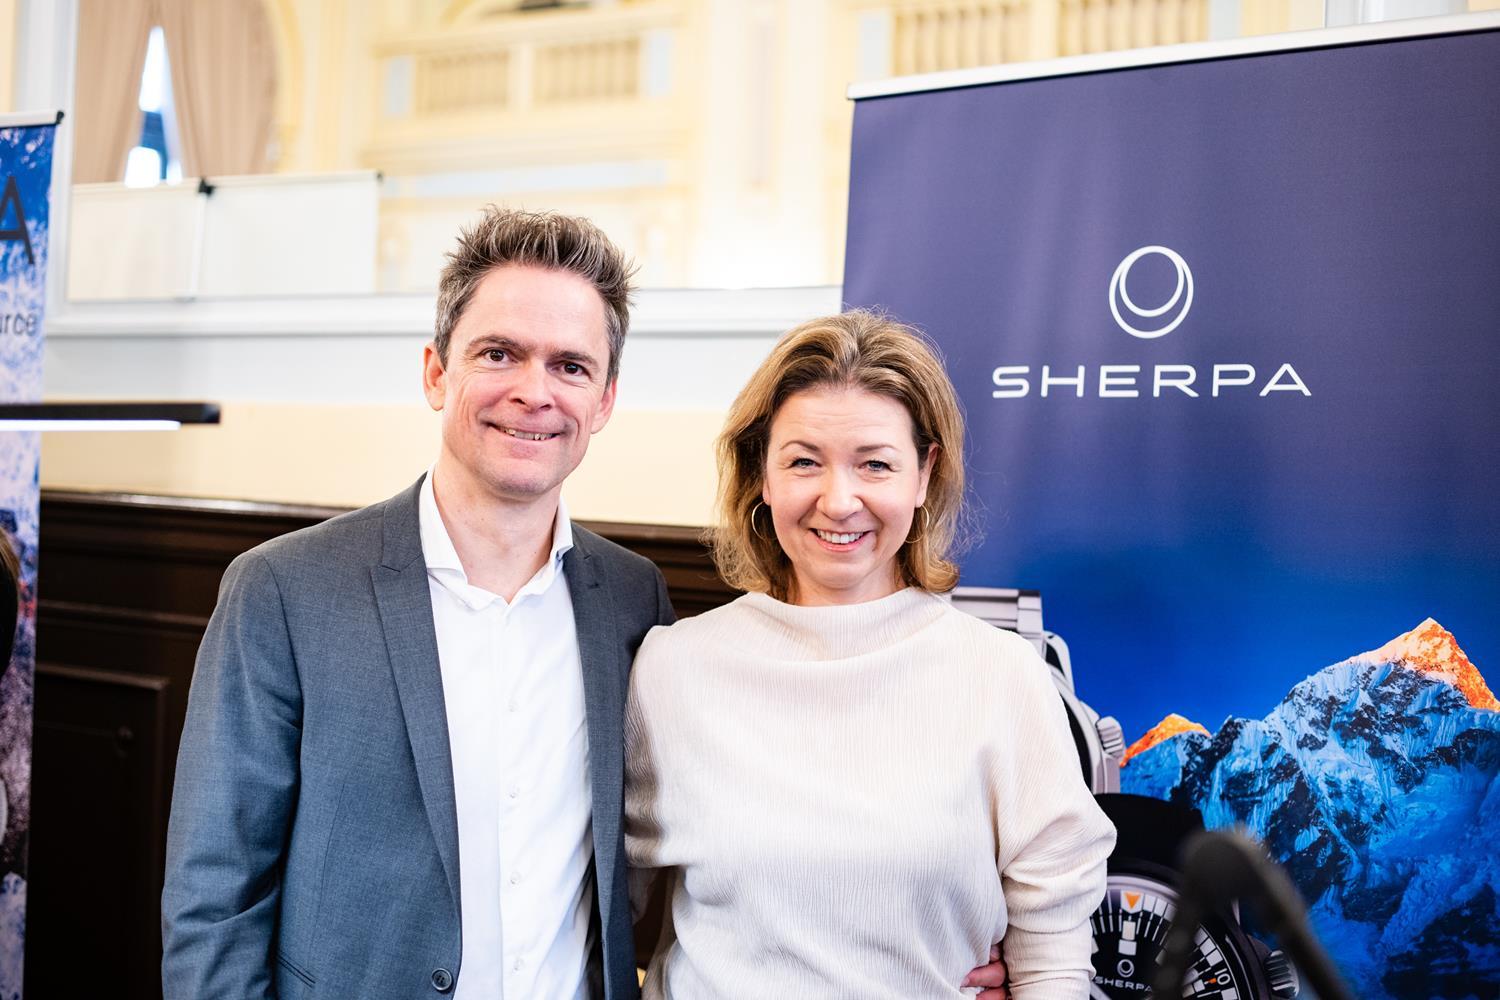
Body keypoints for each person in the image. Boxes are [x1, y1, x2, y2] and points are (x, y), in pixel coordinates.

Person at [162, 208, 674, 1000]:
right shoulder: (284, 591)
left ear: (604, 400)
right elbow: (214, 900)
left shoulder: (634, 599)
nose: (534, 392)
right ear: (436, 373)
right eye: (499, 353)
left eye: (571, 366)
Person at [624, 311, 1116, 999]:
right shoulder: (673, 669)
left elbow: (1052, 958)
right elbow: (612, 915)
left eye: (875, 464)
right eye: (804, 461)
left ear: (924, 475)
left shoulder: (1005, 680)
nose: (839, 500)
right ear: (762, 473)